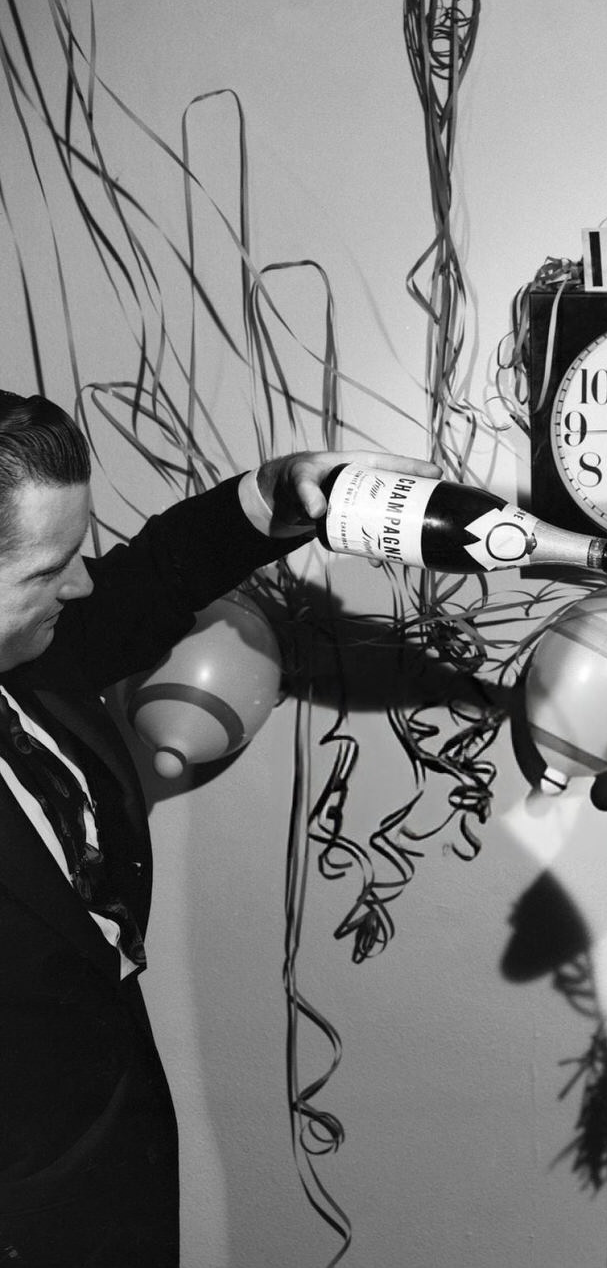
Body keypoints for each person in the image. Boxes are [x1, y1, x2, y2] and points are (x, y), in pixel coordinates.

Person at [0, 389, 434, 1267]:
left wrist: (275, 494)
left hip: (114, 1154)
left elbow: (143, 581)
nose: (78, 583)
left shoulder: (34, 650)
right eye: (48, 572)